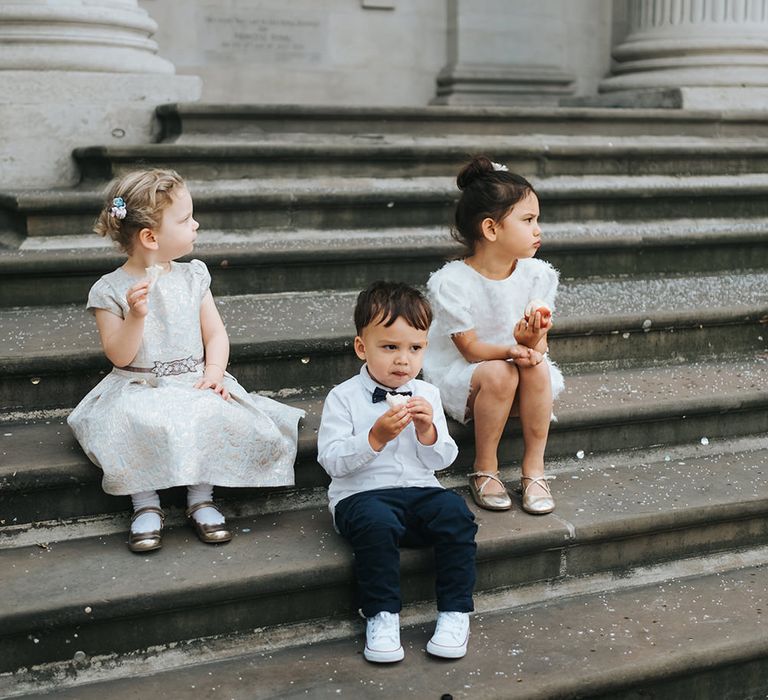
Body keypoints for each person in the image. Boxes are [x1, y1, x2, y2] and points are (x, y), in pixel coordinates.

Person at [68, 169, 304, 553]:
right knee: (131, 420)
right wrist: (136, 317)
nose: (196, 224)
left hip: (193, 379)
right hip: (137, 384)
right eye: (185, 219)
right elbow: (119, 354)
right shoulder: (109, 290)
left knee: (207, 412)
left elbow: (215, 335)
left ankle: (201, 498)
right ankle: (145, 504)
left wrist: (214, 374)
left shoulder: (194, 276)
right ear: (150, 237)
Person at [317, 281, 477, 664]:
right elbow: (332, 460)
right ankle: (382, 616)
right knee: (376, 523)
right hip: (361, 496)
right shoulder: (343, 397)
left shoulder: (428, 394)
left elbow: (441, 461)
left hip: (420, 491)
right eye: (390, 347)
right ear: (362, 347)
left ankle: (455, 612)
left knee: (456, 513)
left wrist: (427, 431)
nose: (403, 360)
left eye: (415, 348)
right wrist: (374, 438)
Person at [423, 156, 564, 515]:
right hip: (470, 373)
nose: (538, 230)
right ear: (491, 229)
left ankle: (534, 468)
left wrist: (532, 341)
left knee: (537, 367)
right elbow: (469, 350)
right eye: (528, 220)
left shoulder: (538, 276)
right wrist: (512, 349)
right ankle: (485, 467)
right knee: (501, 371)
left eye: (538, 220)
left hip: (515, 366)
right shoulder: (451, 282)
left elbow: (540, 346)